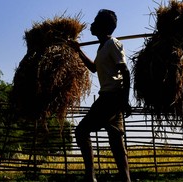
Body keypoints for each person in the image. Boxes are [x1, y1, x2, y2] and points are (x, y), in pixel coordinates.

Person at [71, 9, 131, 182]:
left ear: (103, 26)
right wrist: (78, 51)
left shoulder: (113, 44)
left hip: (111, 97)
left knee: (81, 131)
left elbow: (125, 72)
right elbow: (94, 68)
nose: (92, 24)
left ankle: (90, 177)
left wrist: (125, 101)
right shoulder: (103, 47)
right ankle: (125, 179)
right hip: (111, 97)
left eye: (96, 21)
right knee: (116, 139)